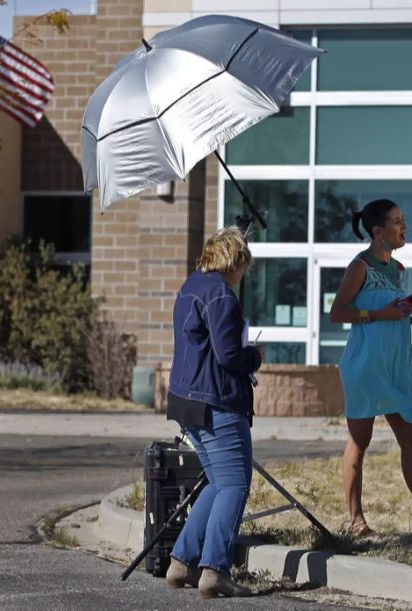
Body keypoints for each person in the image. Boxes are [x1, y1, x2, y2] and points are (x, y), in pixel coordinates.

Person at [329, 198, 412, 538]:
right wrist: (381, 314)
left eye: (404, 219)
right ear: (378, 231)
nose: (404, 227)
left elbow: (390, 315)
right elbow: (337, 313)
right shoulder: (360, 267)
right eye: (397, 221)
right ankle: (357, 523)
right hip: (365, 367)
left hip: (395, 367)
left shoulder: (397, 270)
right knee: (360, 439)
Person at [164, 226, 261, 598]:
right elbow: (230, 355)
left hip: (186, 400)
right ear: (234, 261)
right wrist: (256, 356)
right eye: (242, 268)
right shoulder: (221, 294)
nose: (241, 277)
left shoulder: (190, 286)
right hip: (216, 400)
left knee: (218, 482)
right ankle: (215, 570)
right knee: (235, 483)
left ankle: (182, 561)